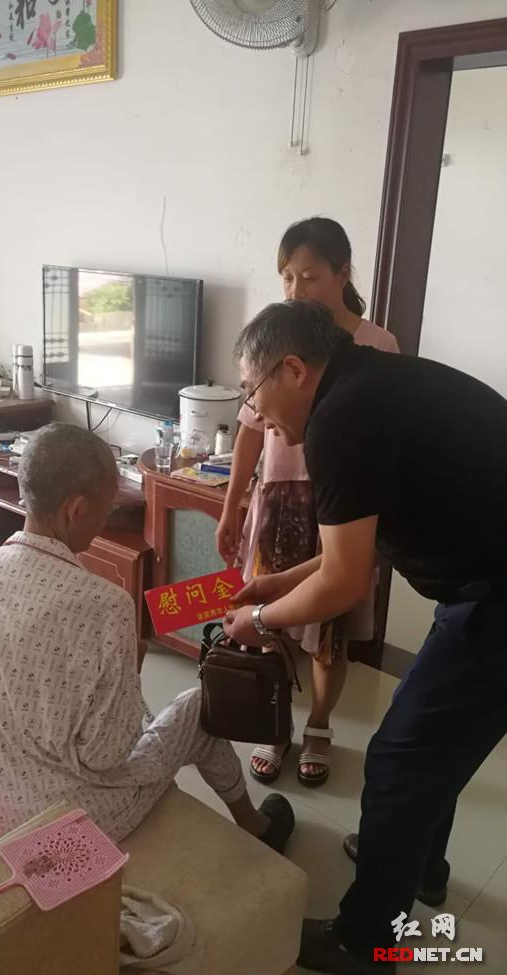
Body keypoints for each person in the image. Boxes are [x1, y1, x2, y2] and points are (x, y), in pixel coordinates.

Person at [224, 300, 507, 974]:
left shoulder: (340, 420)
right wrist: (275, 584)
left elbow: (346, 580)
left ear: (294, 369)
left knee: (400, 761)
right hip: (481, 583)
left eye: (250, 391)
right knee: (432, 747)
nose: (252, 412)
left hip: (494, 599)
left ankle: (364, 943)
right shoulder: (368, 385)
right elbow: (354, 544)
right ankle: (418, 866)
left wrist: (260, 621)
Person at [0, 423, 294, 852]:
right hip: (68, 817)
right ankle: (258, 828)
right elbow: (108, 755)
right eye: (107, 508)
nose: (108, 519)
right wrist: (129, 673)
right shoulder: (104, 604)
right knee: (197, 707)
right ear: (76, 509)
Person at [216, 218, 399, 787]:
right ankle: (276, 721)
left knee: (328, 631)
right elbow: (250, 429)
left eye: (309, 276)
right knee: (273, 616)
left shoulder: (374, 350)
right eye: (287, 277)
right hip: (278, 497)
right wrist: (232, 506)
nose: (296, 290)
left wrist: (259, 610)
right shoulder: (276, 339)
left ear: (343, 274)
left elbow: (341, 575)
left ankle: (319, 725)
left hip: (341, 506)